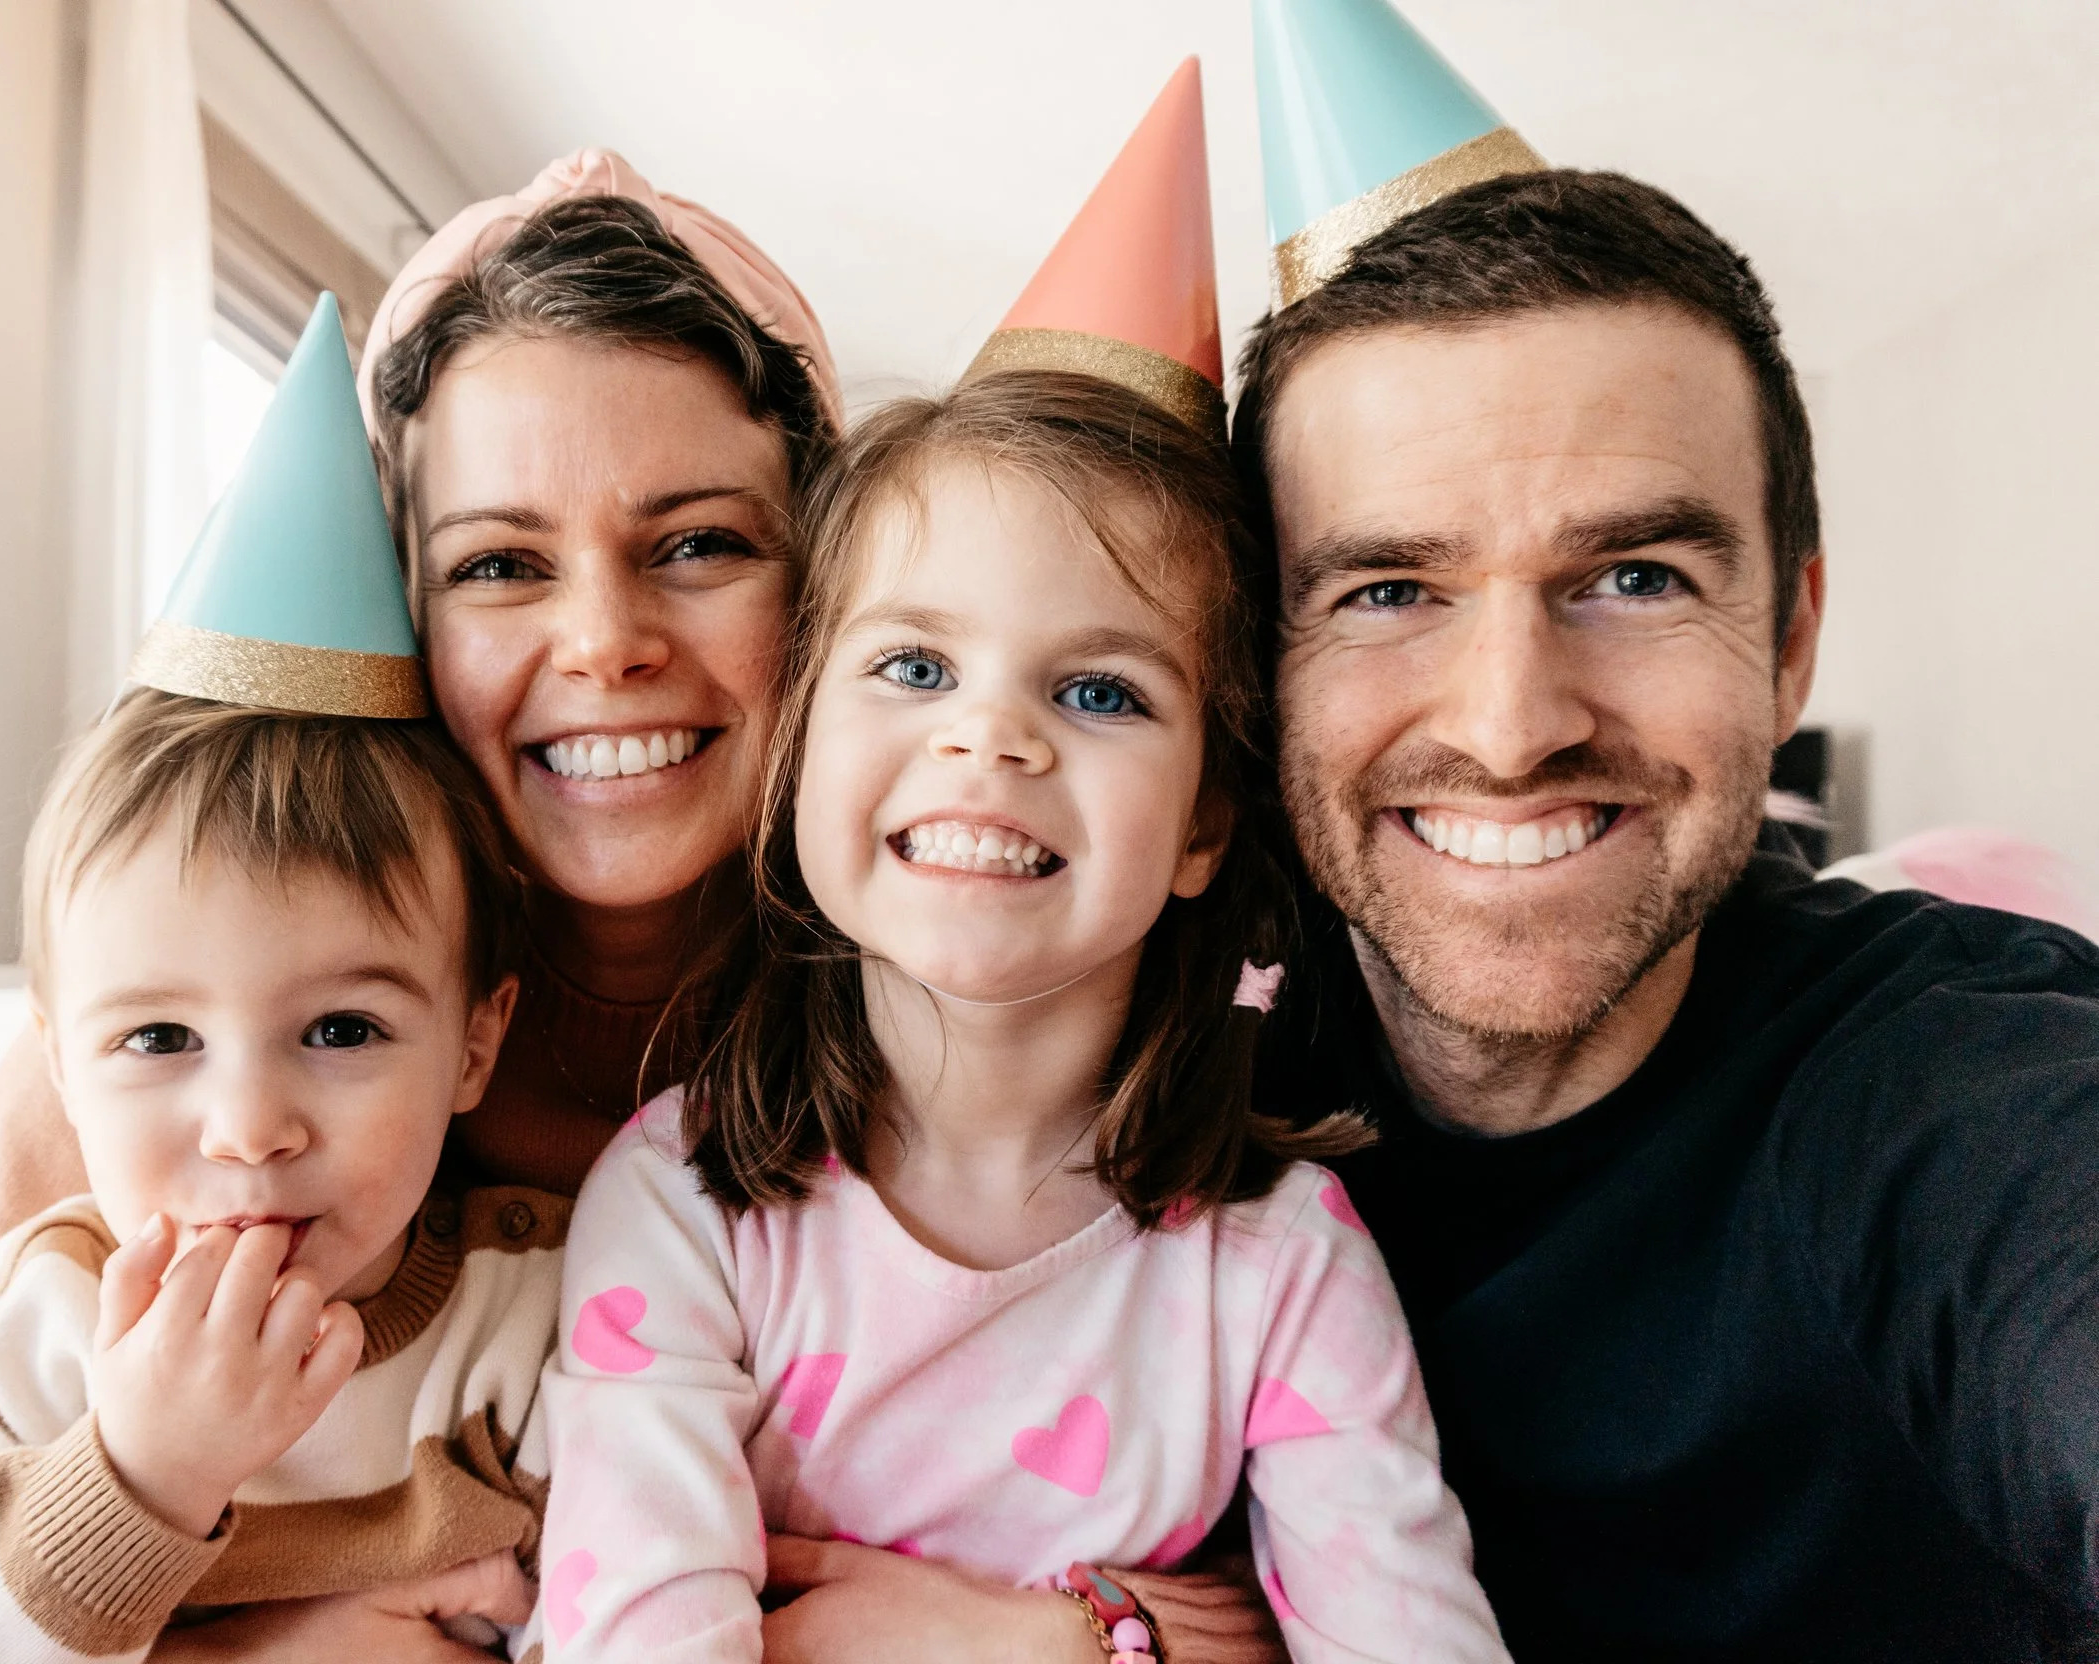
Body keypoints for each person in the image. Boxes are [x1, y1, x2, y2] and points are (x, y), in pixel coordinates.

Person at [0, 152, 1282, 1663]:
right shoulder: (217, 1027)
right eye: (500, 568)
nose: (604, 642)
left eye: (700, 545)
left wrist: (1058, 1637)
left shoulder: (984, 977)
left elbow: (1320, 1508)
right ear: (409, 613)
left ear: (827, 594)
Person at [540, 67, 1505, 1664]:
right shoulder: (683, 1200)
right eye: (915, 667)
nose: (990, 739)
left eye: (1100, 691)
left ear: (1204, 825)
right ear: (803, 745)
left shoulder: (1279, 1260)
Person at [1236, 3, 2099, 1655]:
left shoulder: (1950, 1094)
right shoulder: (1160, 1092)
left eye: (1634, 577)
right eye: (1388, 589)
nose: (1511, 727)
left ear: (1790, 640)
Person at [0, 295, 548, 1662]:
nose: (249, 1128)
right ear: (58, 1062)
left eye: (341, 1029)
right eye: (160, 1039)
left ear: (476, 1043)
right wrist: (135, 1479)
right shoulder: (28, 1340)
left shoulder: (534, 1328)